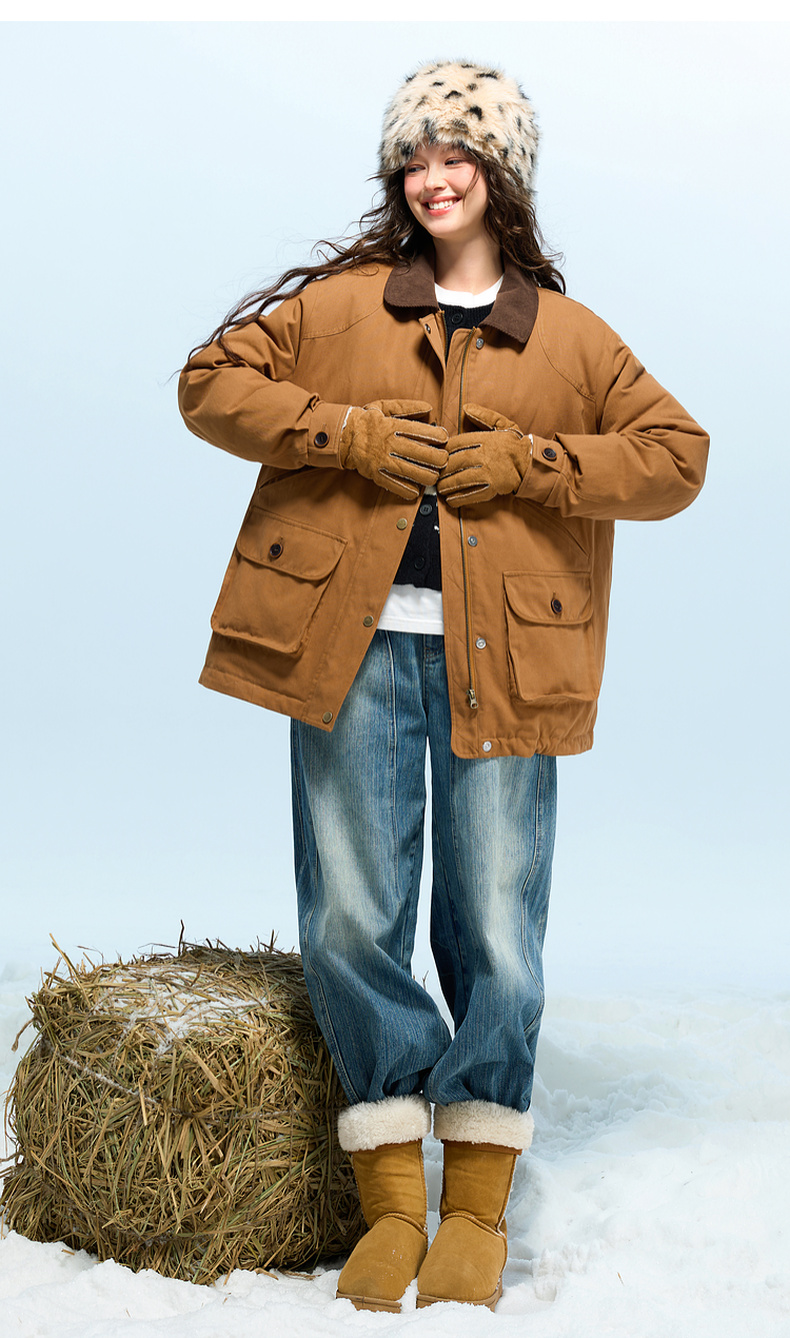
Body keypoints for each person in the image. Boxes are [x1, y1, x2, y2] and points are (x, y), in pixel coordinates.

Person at [178, 59, 708, 1313]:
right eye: (413, 157)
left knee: (495, 930)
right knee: (351, 917)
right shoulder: (340, 307)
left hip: (506, 658)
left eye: (456, 153)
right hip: (349, 646)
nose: (432, 176)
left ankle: (473, 1205)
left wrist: (534, 464)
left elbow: (675, 458)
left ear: (502, 172)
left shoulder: (568, 336)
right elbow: (209, 386)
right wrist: (344, 433)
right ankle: (391, 1204)